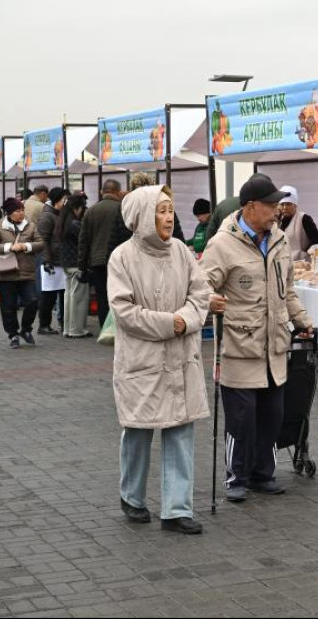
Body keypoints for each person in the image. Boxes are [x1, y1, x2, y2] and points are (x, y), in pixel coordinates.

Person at [200, 174, 314, 503]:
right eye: (271, 204)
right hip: (239, 346)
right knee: (241, 419)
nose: (277, 210)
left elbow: (287, 291)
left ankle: (263, 474)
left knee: (271, 416)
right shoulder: (222, 244)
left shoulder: (278, 240)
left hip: (273, 345)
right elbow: (200, 285)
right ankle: (237, 476)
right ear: (251, 207)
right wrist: (210, 299)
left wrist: (303, 321)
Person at [110, 185, 212, 535]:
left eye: (170, 209)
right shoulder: (122, 257)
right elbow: (124, 311)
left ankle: (176, 508)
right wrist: (173, 323)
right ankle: (133, 497)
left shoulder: (182, 252)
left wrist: (188, 318)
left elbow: (201, 293)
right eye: (160, 210)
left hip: (182, 357)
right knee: (138, 430)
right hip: (143, 359)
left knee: (180, 429)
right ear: (142, 215)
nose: (168, 217)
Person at [0, 198, 45, 348]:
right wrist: (9, 247)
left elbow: (40, 244)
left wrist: (26, 246)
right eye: (17, 211)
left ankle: (26, 329)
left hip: (26, 272)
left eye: (22, 210)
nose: (21, 214)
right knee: (8, 306)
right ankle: (13, 334)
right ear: (9, 213)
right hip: (6, 274)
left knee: (32, 301)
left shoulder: (30, 226)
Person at [78, 179, 125, 328]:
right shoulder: (122, 209)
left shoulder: (91, 211)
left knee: (102, 295)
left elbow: (83, 240)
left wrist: (82, 265)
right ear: (118, 192)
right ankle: (118, 326)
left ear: (102, 192)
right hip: (119, 260)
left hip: (96, 261)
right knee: (119, 295)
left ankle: (105, 327)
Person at [58, 194, 93, 338]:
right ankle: (77, 329)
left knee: (69, 296)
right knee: (78, 297)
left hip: (67, 263)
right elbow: (85, 240)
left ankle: (68, 328)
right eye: (82, 208)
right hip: (76, 263)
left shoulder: (63, 222)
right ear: (76, 208)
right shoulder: (75, 224)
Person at [37, 187, 68, 334]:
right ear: (57, 200)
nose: (65, 202)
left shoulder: (58, 214)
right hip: (52, 262)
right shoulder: (47, 216)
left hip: (60, 260)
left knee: (62, 292)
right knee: (48, 295)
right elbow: (43, 240)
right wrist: (47, 260)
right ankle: (44, 324)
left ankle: (63, 322)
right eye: (63, 200)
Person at [276, 186, 318, 262]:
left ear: (295, 205)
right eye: (282, 204)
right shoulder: (278, 221)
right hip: (283, 263)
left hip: (301, 263)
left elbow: (317, 240)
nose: (285, 207)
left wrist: (309, 251)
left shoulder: (303, 218)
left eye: (288, 204)